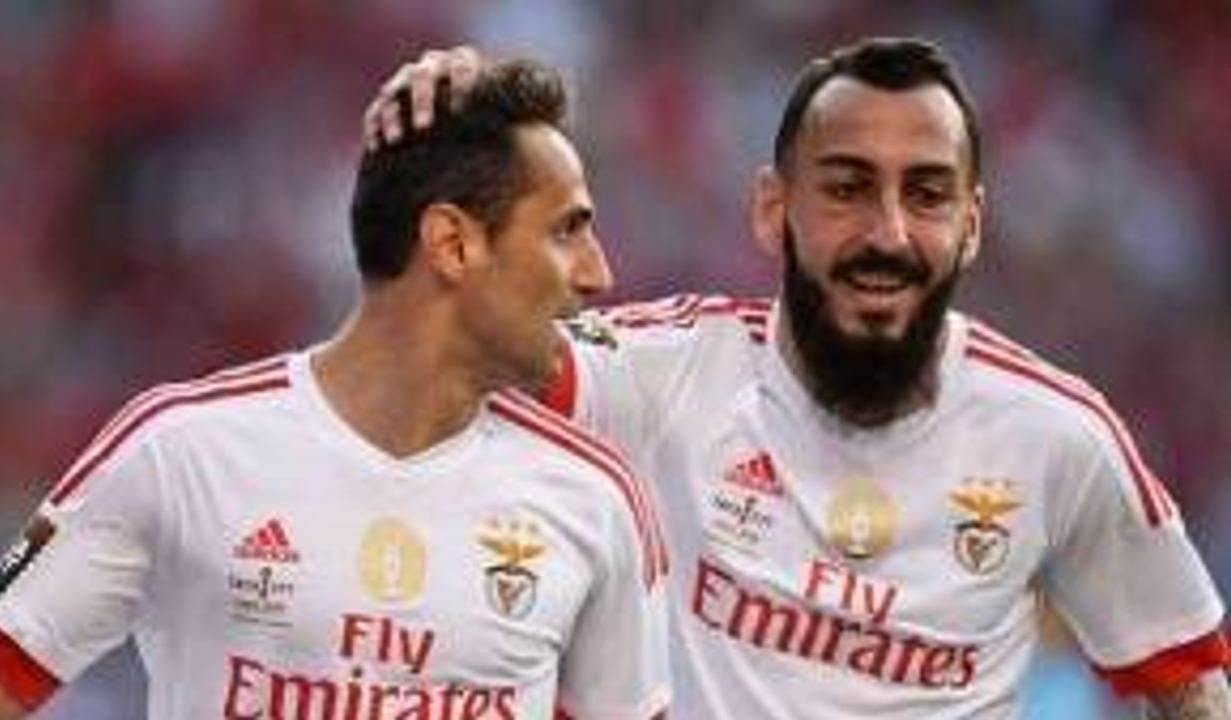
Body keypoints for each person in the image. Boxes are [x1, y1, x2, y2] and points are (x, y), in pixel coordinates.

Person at [369, 38, 1231, 718]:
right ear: (773, 210)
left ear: (971, 226)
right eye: (847, 189)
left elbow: (1191, 687)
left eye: (927, 194)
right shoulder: (664, 377)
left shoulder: (1060, 439)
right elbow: (456, 352)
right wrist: (461, 147)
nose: (888, 233)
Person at [0, 59, 671, 719]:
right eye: (567, 231)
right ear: (453, 244)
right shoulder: (173, 451)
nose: (598, 274)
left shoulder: (597, 504)